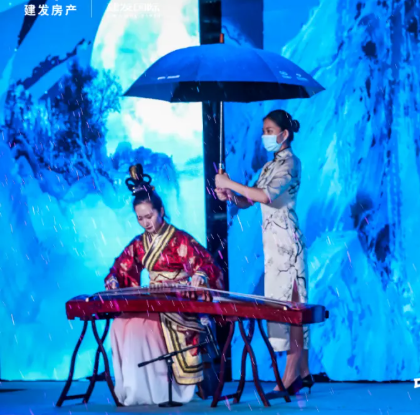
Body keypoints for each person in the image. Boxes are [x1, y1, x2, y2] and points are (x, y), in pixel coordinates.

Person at [105, 164, 224, 406]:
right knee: (119, 324)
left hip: (178, 302)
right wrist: (115, 279)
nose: (145, 223)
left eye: (149, 216)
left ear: (161, 210)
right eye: (140, 219)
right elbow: (121, 267)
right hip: (154, 299)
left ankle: (162, 390)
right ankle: (137, 390)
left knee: (139, 328)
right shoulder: (139, 243)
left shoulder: (180, 239)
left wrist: (200, 275)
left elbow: (206, 263)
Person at [214, 109, 312, 397]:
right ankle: (304, 372)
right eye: (264, 131)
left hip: (288, 244)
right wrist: (230, 195)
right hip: (272, 246)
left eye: (270, 131)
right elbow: (250, 200)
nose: (265, 136)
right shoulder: (270, 166)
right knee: (284, 306)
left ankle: (290, 376)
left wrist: (229, 183)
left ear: (284, 134)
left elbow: (267, 196)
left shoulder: (291, 163)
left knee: (292, 307)